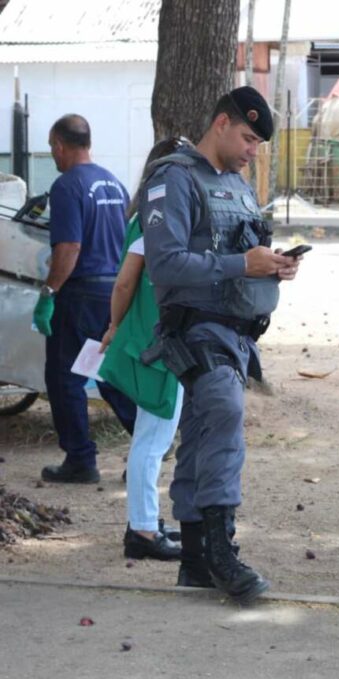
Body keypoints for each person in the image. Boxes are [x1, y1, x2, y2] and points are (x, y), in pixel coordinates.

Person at [141, 86, 301, 604]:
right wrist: (242, 264)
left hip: (235, 332)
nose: (253, 150)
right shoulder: (175, 179)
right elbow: (164, 265)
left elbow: (240, 249)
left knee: (205, 431)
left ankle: (194, 560)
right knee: (225, 415)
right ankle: (221, 553)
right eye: (249, 138)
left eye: (258, 143)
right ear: (222, 124)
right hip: (195, 329)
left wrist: (273, 265)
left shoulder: (236, 184)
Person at [98, 137, 196, 562]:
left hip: (146, 339)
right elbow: (124, 281)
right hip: (158, 344)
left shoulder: (145, 216)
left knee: (148, 438)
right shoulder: (158, 220)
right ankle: (142, 529)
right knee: (152, 443)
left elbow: (125, 283)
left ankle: (145, 522)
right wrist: (115, 325)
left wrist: (117, 325)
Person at [34, 114, 137, 484]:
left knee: (64, 378)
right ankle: (147, 443)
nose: (53, 155)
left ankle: (80, 459)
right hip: (113, 291)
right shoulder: (114, 183)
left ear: (60, 145)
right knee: (106, 374)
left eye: (51, 149)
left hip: (79, 294)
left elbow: (69, 247)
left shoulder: (66, 186)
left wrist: (48, 292)